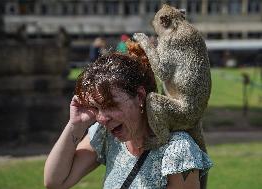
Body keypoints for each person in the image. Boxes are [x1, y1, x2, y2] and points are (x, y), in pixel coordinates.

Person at [44, 42, 213, 189]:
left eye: (111, 105)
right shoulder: (105, 135)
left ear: (139, 96)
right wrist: (75, 125)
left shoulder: (177, 150)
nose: (102, 118)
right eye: (96, 108)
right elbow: (56, 181)